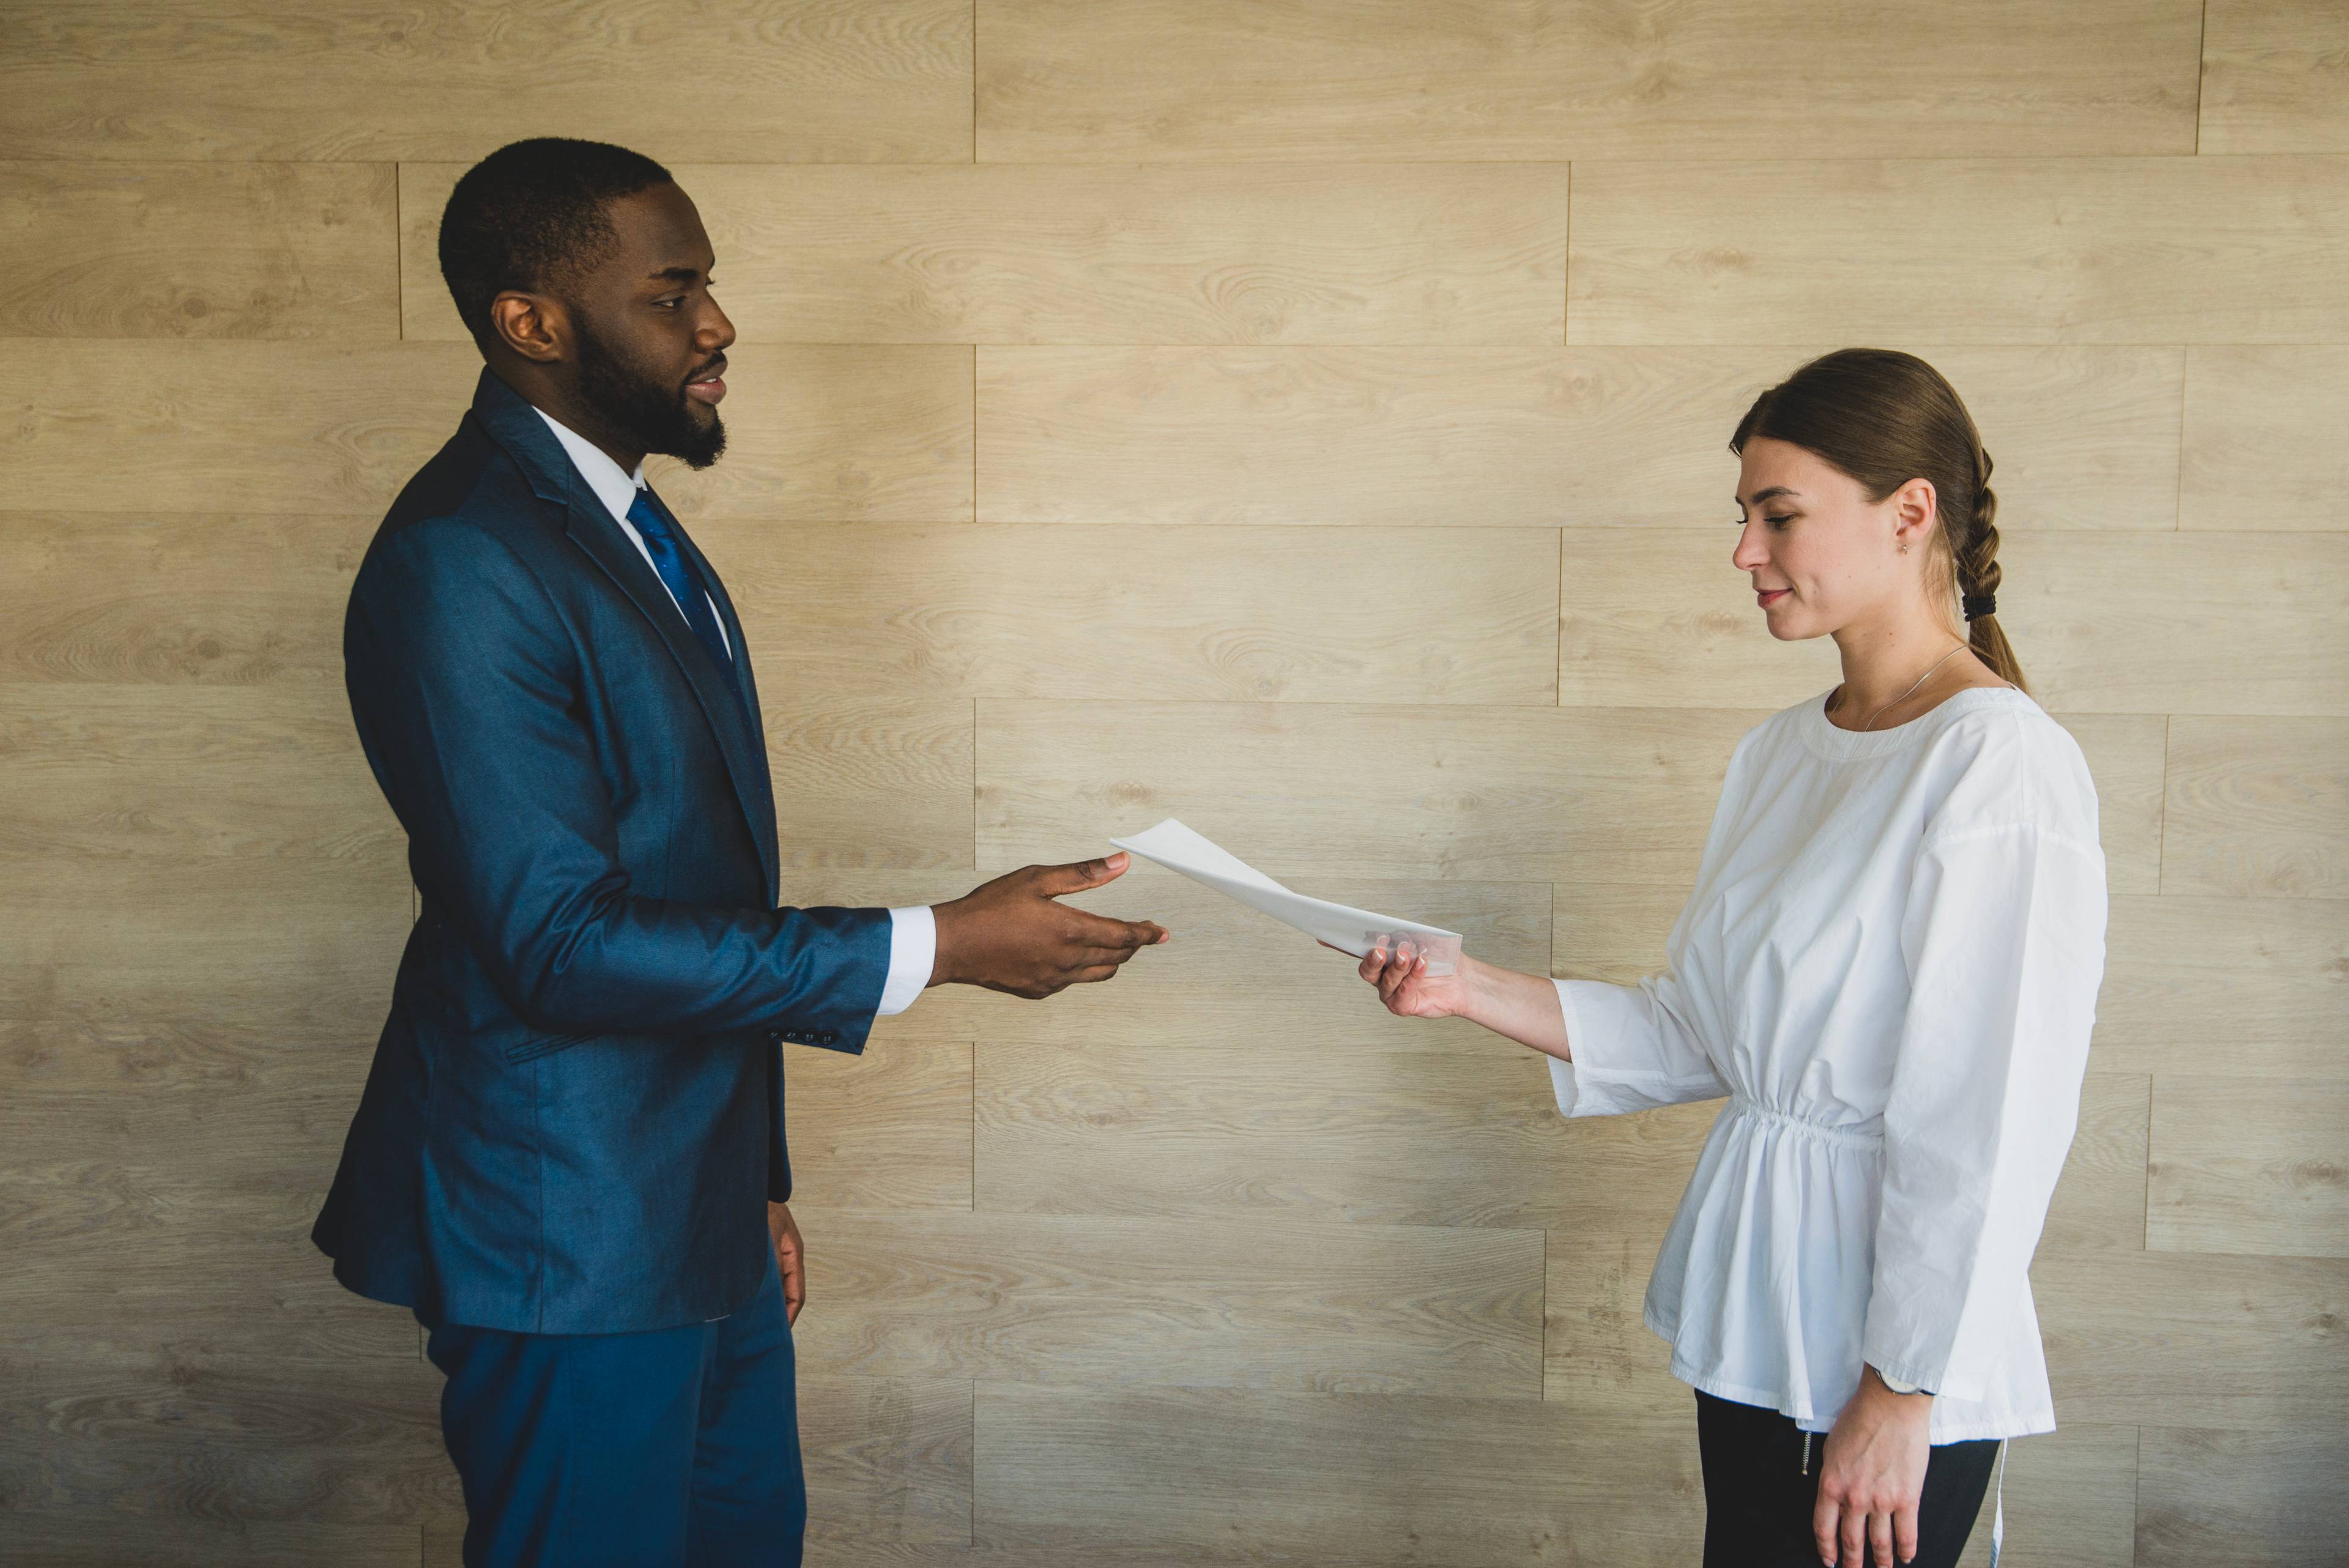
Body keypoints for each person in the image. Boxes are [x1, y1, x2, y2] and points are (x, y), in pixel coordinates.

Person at [310, 137, 1168, 1568]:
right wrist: (938, 943)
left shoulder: (632, 526)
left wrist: (750, 1180)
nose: (717, 326)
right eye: (674, 292)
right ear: (532, 322)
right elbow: (561, 940)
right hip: (564, 1237)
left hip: (687, 1214)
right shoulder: (464, 555)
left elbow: (697, 892)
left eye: (709, 286)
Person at [1344, 349, 2108, 1568]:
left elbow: (1992, 1114)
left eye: (1779, 514)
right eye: (1746, 516)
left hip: (1885, 1352)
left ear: (1911, 512)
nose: (1745, 550)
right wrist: (1463, 986)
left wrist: (1903, 1388)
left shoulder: (1998, 765)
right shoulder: (1778, 754)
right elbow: (1706, 1031)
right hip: (1763, 1311)